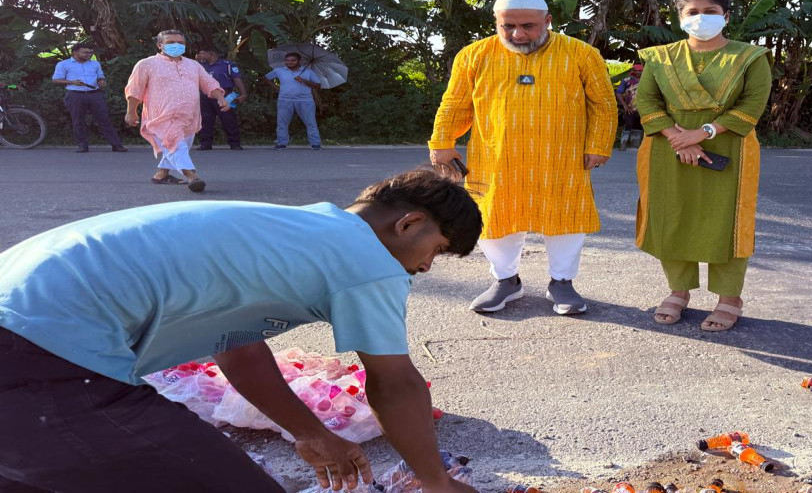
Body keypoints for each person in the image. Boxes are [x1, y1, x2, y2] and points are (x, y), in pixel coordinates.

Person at [0, 167, 482, 492]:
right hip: (41, 355)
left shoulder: (291, 231)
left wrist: (309, 432)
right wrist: (435, 482)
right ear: (409, 223)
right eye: (436, 251)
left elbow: (238, 350)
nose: (424, 269)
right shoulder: (366, 259)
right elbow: (395, 383)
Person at [429, 0, 617, 315]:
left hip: (561, 158)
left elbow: (603, 105)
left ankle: (562, 283)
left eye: (528, 26)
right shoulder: (474, 55)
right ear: (496, 23)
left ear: (548, 21)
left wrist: (598, 145)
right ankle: (505, 281)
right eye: (508, 27)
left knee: (566, 220)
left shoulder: (581, 54)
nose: (518, 34)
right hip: (496, 157)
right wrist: (442, 143)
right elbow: (455, 103)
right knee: (494, 218)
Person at [635, 0, 772, 332]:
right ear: (680, 19)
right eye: (692, 12)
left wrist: (703, 133)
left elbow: (752, 106)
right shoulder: (660, 57)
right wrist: (679, 139)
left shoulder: (750, 57)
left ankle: (729, 298)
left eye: (709, 11)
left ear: (725, 16)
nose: (701, 18)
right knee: (671, 217)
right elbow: (648, 102)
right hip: (667, 147)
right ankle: (678, 292)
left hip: (730, 146)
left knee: (727, 222)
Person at [124, 30, 229, 192]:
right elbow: (135, 90)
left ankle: (161, 175)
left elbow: (209, 83)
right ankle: (192, 176)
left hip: (189, 117)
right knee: (174, 145)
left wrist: (221, 98)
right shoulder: (146, 64)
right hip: (161, 116)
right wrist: (131, 111)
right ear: (160, 45)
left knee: (176, 147)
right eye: (171, 42)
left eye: (180, 43)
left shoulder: (193, 65)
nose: (176, 45)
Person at [50, 42, 127, 153]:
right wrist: (72, 82)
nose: (89, 55)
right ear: (75, 52)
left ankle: (116, 145)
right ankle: (82, 145)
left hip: (94, 93)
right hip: (75, 94)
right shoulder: (63, 64)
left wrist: (101, 81)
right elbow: (55, 80)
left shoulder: (95, 64)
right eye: (85, 52)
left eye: (90, 52)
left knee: (104, 119)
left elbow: (100, 76)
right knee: (78, 120)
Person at [265, 52, 323, 149]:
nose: (289, 62)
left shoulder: (308, 72)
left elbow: (318, 86)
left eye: (293, 60)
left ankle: (315, 143)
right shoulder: (279, 70)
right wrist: (276, 87)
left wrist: (303, 80)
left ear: (299, 61)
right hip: (284, 99)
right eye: (287, 60)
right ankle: (281, 143)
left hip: (305, 100)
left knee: (310, 122)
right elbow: (266, 78)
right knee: (282, 123)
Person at [194, 47, 246, 150]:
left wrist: (243, 93)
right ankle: (206, 143)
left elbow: (237, 79)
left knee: (229, 119)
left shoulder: (228, 65)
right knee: (206, 119)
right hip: (205, 96)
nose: (199, 55)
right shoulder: (201, 65)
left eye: (202, 53)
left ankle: (235, 143)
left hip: (225, 95)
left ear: (211, 54)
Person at [615, 62, 644, 149]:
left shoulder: (646, 80)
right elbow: (619, 93)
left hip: (642, 109)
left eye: (640, 71)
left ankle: (634, 146)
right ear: (633, 71)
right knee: (628, 126)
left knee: (638, 126)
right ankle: (623, 145)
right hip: (629, 108)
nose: (638, 72)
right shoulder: (626, 80)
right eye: (636, 70)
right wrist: (625, 106)